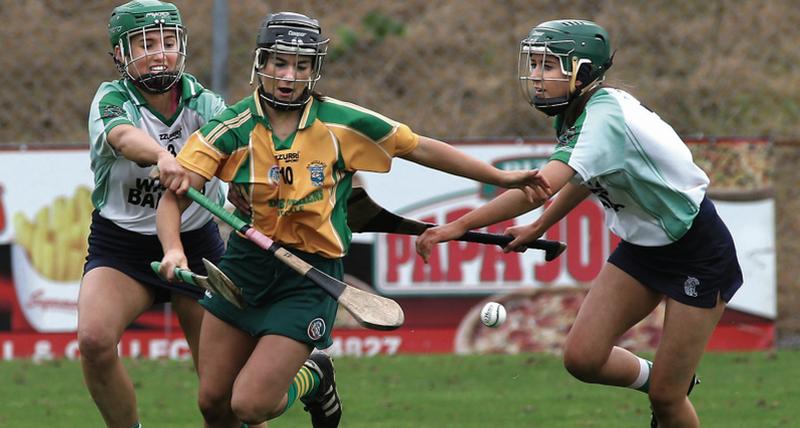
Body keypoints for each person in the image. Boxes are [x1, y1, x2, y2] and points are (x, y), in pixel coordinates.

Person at [155, 11, 550, 428]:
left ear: (315, 70)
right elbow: (174, 195)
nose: (290, 75)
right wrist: (173, 248)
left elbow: (421, 148)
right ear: (261, 63)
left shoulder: (341, 123)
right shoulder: (230, 129)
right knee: (214, 404)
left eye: (302, 65)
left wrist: (501, 176)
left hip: (309, 278)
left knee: (250, 405)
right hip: (243, 269)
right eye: (280, 63)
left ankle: (315, 377)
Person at [415, 19, 743, 428]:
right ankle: (669, 379)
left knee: (666, 398)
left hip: (697, 252)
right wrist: (538, 226)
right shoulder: (577, 110)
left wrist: (458, 226)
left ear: (583, 72)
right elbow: (585, 177)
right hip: (642, 251)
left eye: (549, 66)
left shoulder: (603, 119)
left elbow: (540, 186)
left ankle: (669, 386)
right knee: (583, 359)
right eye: (534, 64)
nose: (536, 76)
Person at [79, 1, 228, 427]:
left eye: (167, 42)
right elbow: (122, 136)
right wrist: (163, 156)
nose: (159, 53)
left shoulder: (208, 104)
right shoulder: (111, 98)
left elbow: (235, 157)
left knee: (222, 394)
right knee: (94, 340)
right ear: (121, 54)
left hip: (198, 243)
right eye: (145, 44)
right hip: (121, 246)